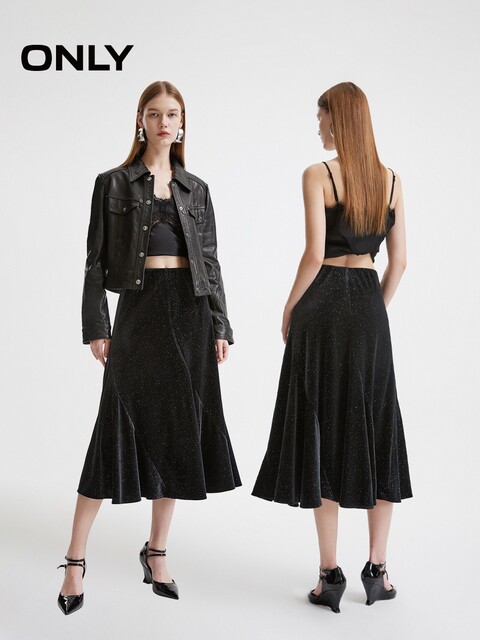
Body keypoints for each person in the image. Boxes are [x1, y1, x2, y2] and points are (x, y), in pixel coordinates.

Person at [57, 80, 241, 615]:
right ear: (140, 119)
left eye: (173, 114)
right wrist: (97, 325)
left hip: (190, 313)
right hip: (138, 311)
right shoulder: (112, 183)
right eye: (155, 113)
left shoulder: (196, 189)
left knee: (177, 434)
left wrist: (221, 324)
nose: (164, 122)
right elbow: (95, 260)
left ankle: (156, 552)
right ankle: (74, 560)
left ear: (183, 123)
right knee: (112, 431)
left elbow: (210, 261)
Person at [252, 82, 413, 613]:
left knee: (325, 426)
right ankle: (378, 569)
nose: (317, 126)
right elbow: (400, 263)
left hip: (321, 306)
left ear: (337, 120)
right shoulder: (391, 181)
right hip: (367, 304)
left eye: (320, 117)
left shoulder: (318, 175)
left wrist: (289, 307)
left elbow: (313, 254)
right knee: (377, 427)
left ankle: (329, 573)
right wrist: (371, 313)